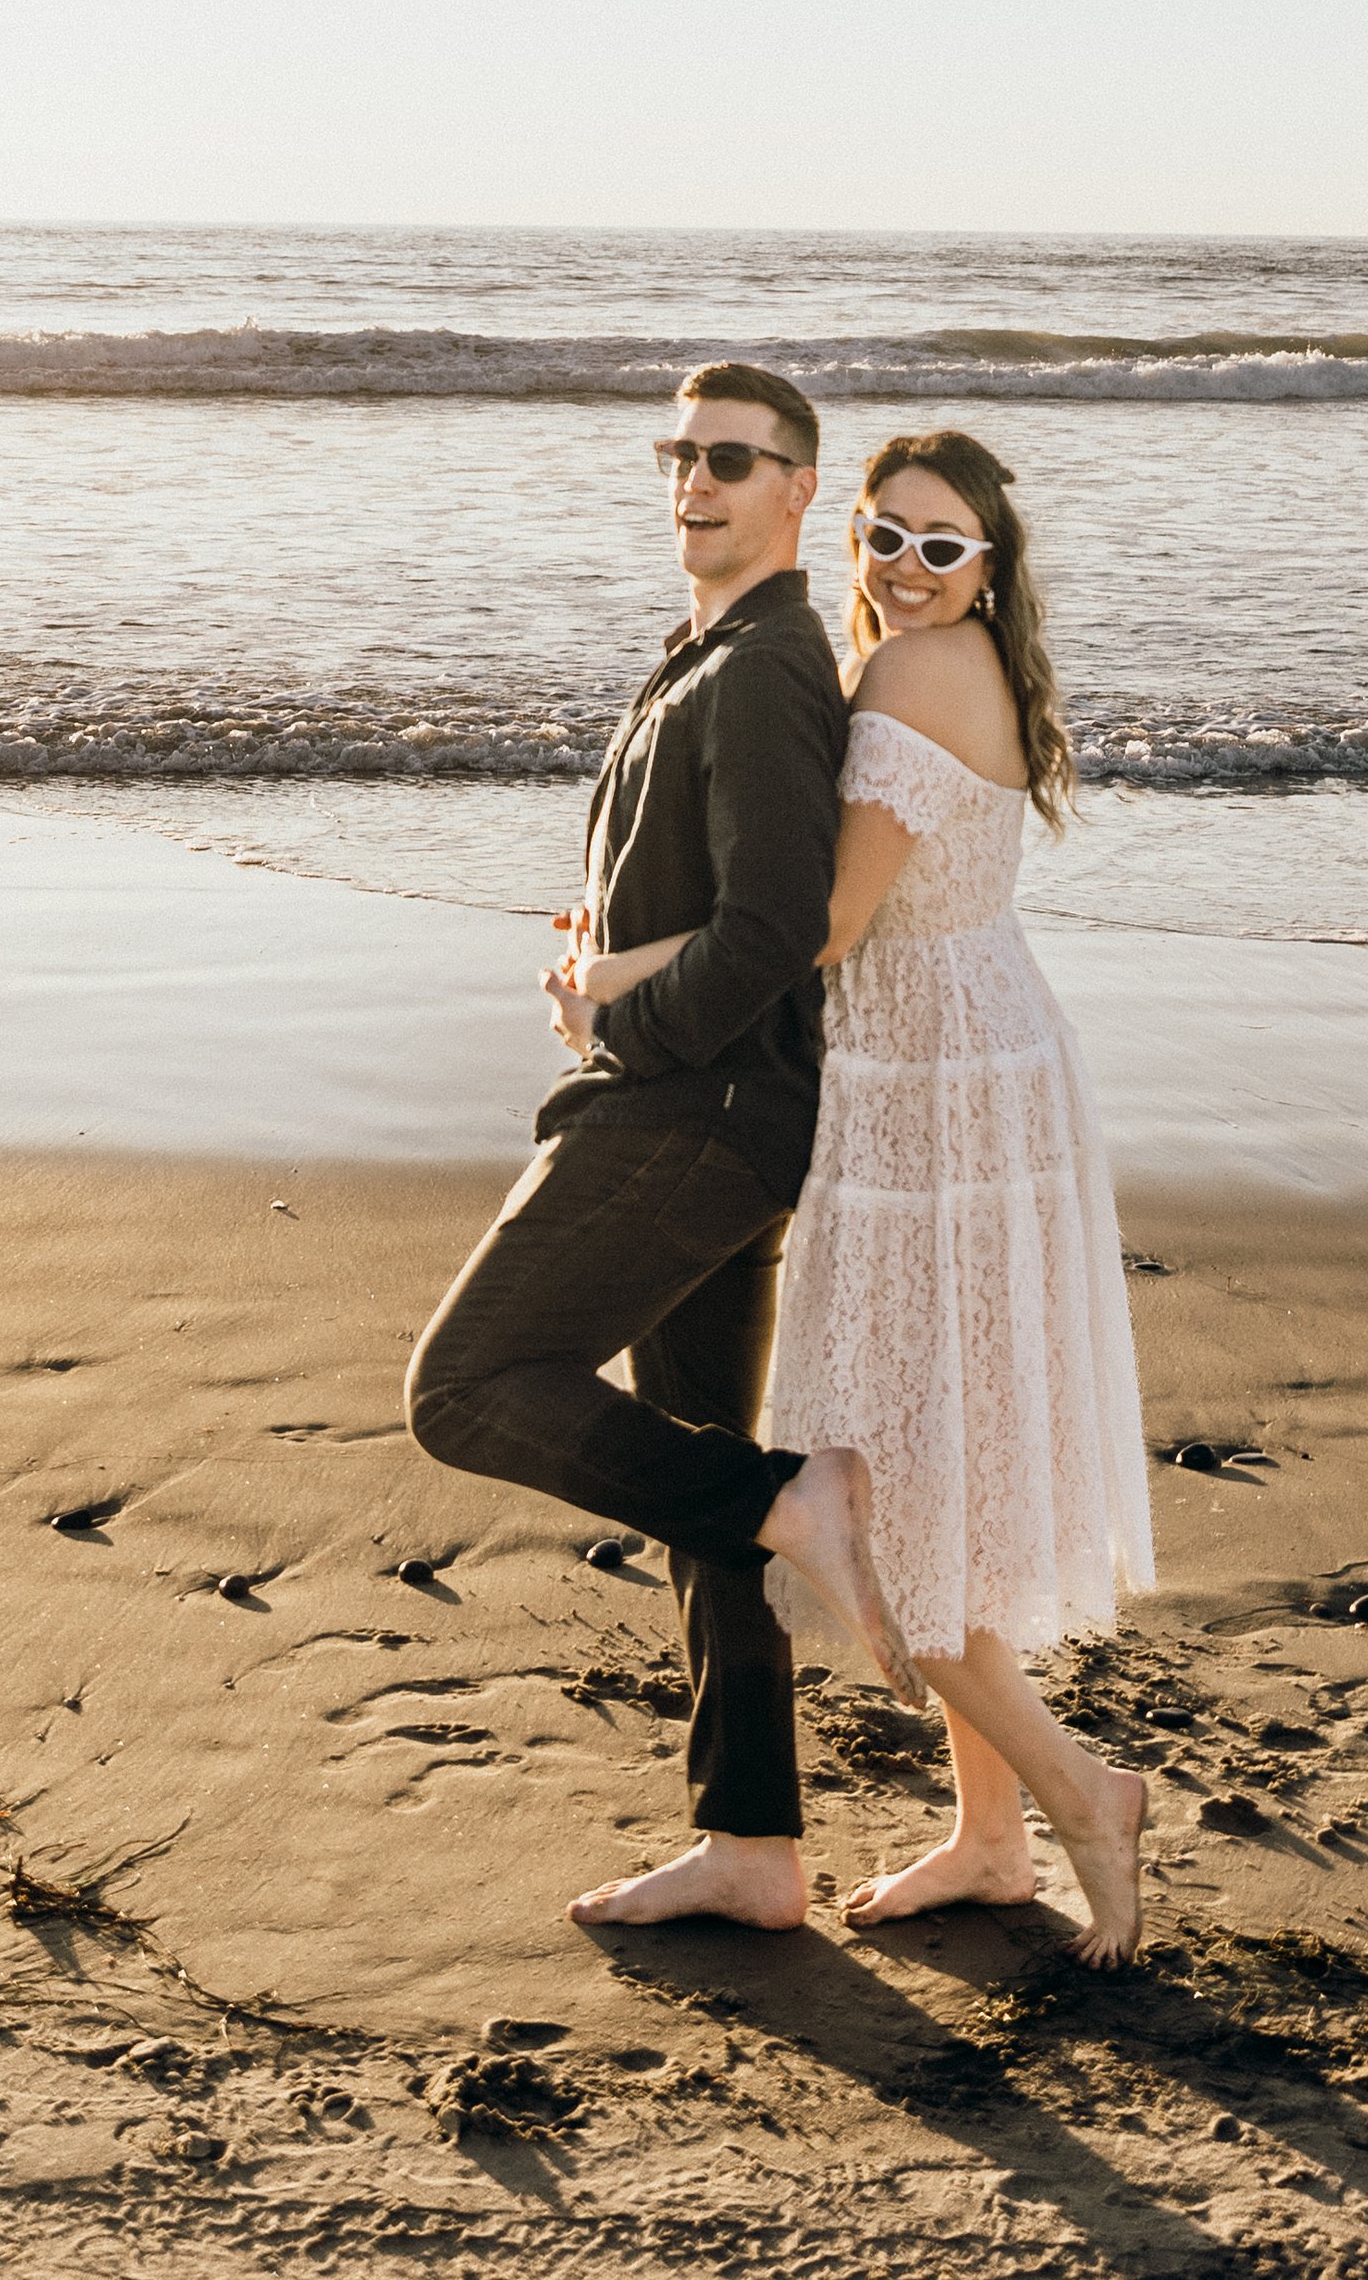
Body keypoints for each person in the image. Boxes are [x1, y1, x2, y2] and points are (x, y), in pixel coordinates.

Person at [575, 427, 1156, 1965]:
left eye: (941, 543)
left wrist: (620, 976)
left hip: (935, 1106)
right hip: (967, 1068)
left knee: (885, 1499)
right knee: (943, 1461)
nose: (906, 563)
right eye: (886, 536)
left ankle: (1087, 1793)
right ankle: (988, 1840)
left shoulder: (910, 677)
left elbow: (826, 924)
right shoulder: (953, 666)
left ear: (990, 566)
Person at [405, 360, 924, 1938]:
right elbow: (703, 895)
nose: (694, 478)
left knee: (468, 1386)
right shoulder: (707, 647)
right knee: (692, 1456)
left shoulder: (767, 667)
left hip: (694, 1110)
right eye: (678, 452)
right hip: (695, 1099)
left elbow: (775, 930)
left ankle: (795, 1498)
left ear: (797, 492)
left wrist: (617, 1026)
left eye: (732, 457)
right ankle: (754, 1844)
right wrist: (603, 953)